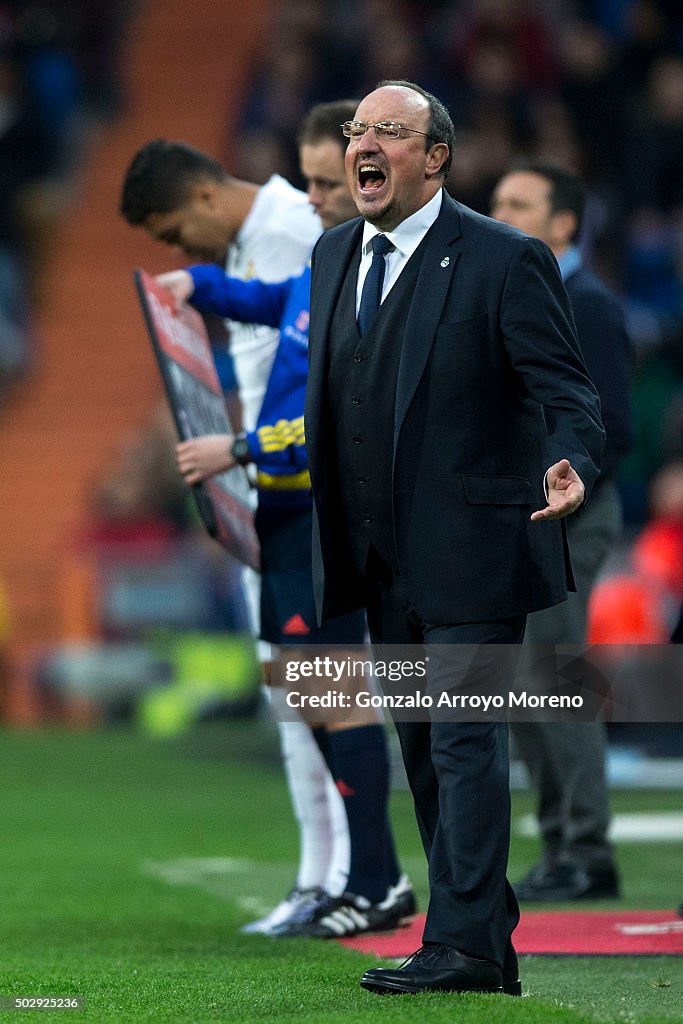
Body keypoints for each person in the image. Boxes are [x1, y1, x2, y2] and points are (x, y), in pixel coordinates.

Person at [304, 80, 605, 996]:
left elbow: (568, 390)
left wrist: (571, 462)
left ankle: (464, 947)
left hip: (473, 548)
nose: (365, 144)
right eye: (358, 129)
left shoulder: (502, 258)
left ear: (433, 156)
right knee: (424, 749)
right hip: (376, 553)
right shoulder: (330, 256)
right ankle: (479, 927)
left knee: (466, 742)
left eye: (387, 132)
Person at [120, 107, 415, 938]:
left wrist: (240, 449)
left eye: (328, 184)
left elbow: (334, 420)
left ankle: (377, 880)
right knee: (305, 691)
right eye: (315, 182)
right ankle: (358, 878)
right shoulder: (320, 272)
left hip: (318, 509)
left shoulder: (361, 278)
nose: (313, 200)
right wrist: (196, 286)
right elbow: (261, 299)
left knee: (336, 692)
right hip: (285, 511)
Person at [491, 162, 633, 901]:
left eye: (519, 203)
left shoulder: (588, 304)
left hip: (573, 513)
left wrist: (563, 491)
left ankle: (584, 850)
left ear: (564, 223)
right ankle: (558, 847)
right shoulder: (526, 295)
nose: (500, 212)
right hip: (527, 516)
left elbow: (611, 425)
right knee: (524, 684)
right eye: (497, 202)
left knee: (554, 680)